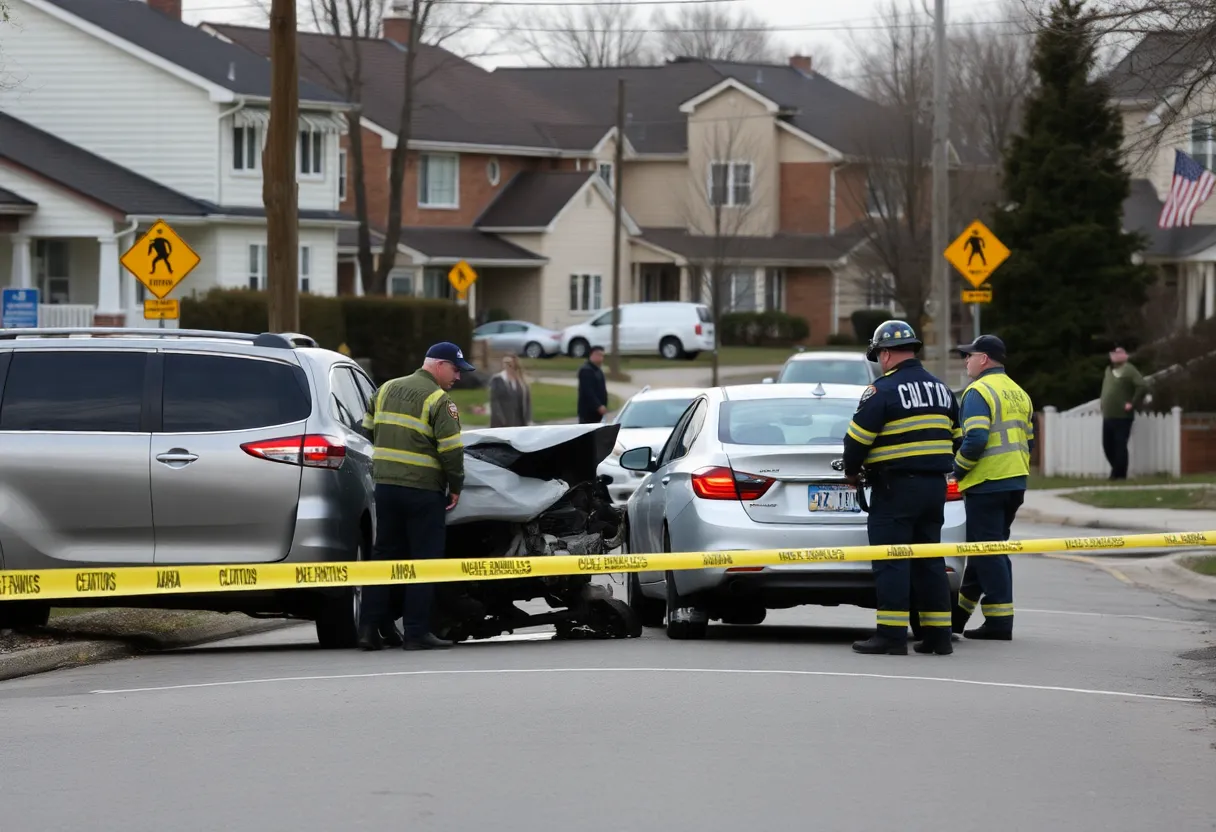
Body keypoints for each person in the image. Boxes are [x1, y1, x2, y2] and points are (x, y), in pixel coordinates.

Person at [843, 319, 961, 656]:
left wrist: (852, 472)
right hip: (934, 488)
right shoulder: (942, 389)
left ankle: (892, 636)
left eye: (879, 354)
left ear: (885, 353)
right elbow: (956, 438)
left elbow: (857, 440)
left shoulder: (882, 390)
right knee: (929, 561)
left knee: (891, 561)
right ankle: (939, 637)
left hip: (895, 489)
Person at [357, 341, 472, 651]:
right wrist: (456, 485)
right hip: (422, 491)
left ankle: (368, 629)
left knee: (383, 558)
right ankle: (416, 631)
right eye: (456, 369)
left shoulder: (385, 389)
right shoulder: (438, 399)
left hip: (386, 488)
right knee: (425, 560)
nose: (458, 377)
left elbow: (366, 430)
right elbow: (451, 450)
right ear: (438, 365)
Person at [951, 335, 1034, 641]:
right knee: (986, 550)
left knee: (989, 552)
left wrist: (955, 470)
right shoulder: (1018, 392)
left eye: (969, 356)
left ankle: (1000, 621)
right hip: (1014, 482)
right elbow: (1030, 441)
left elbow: (975, 440)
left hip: (986, 483)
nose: (965, 361)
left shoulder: (978, 392)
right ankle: (957, 618)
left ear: (983, 359)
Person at [1100, 345, 1148, 480]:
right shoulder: (1108, 371)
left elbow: (1142, 386)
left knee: (1120, 445)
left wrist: (1131, 403)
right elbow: (1106, 388)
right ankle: (1117, 470)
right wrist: (1102, 402)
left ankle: (1119, 475)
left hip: (1122, 416)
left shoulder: (1129, 370)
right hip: (1108, 415)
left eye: (1119, 354)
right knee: (1107, 445)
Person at [488, 354, 532, 427]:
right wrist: (501, 419)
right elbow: (494, 402)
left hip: (519, 422)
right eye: (505, 363)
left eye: (510, 364)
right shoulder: (497, 379)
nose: (507, 366)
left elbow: (527, 402)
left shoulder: (521, 382)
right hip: (502, 422)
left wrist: (528, 420)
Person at [577, 346, 609, 424]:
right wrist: (598, 406)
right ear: (592, 355)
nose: (601, 358)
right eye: (599, 355)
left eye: (602, 356)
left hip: (598, 413)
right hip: (588, 412)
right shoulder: (586, 370)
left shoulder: (598, 370)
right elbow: (588, 391)